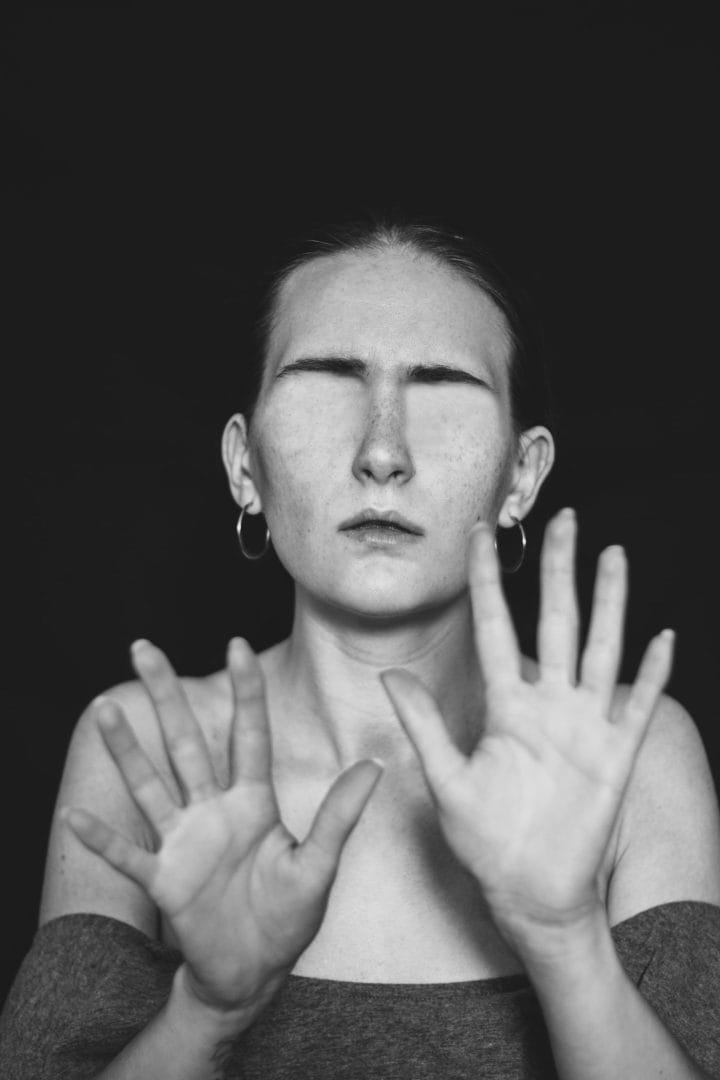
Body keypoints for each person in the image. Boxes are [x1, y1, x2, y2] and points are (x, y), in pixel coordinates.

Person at [2, 217, 720, 1080]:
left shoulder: (633, 754)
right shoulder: (146, 746)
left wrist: (566, 944)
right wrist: (209, 1013)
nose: (383, 452)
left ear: (520, 478)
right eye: (328, 378)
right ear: (244, 467)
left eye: (443, 384)